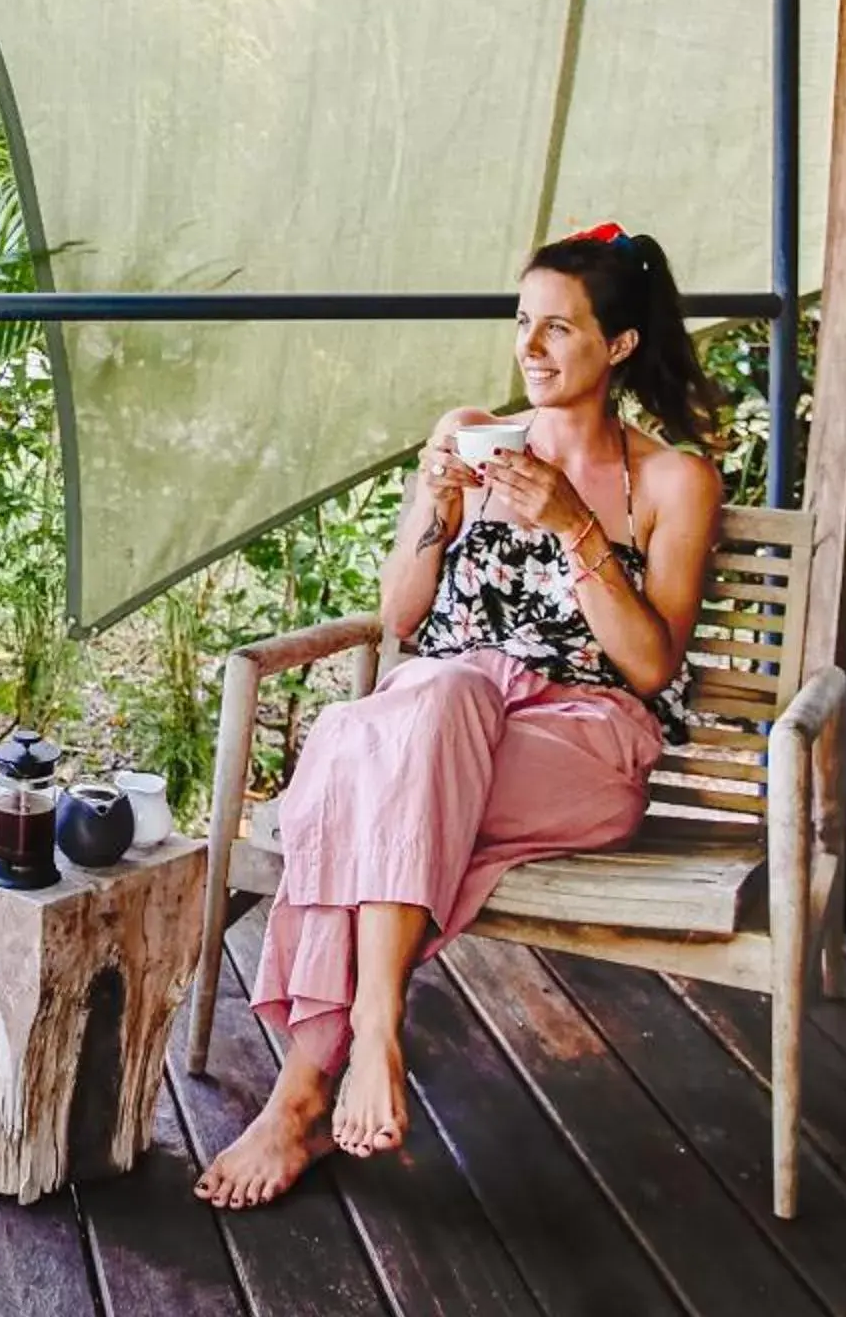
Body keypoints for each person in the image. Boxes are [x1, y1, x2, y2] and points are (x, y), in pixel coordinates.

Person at [193, 223, 727, 1209]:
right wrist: (438, 506)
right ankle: (367, 1039)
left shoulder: (668, 480)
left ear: (616, 347)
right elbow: (402, 618)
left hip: (580, 734)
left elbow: (650, 668)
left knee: (367, 756)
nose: (530, 346)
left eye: (558, 328)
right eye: (523, 321)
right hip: (442, 723)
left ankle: (318, 1072)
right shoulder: (474, 432)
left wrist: (573, 526)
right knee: (427, 699)